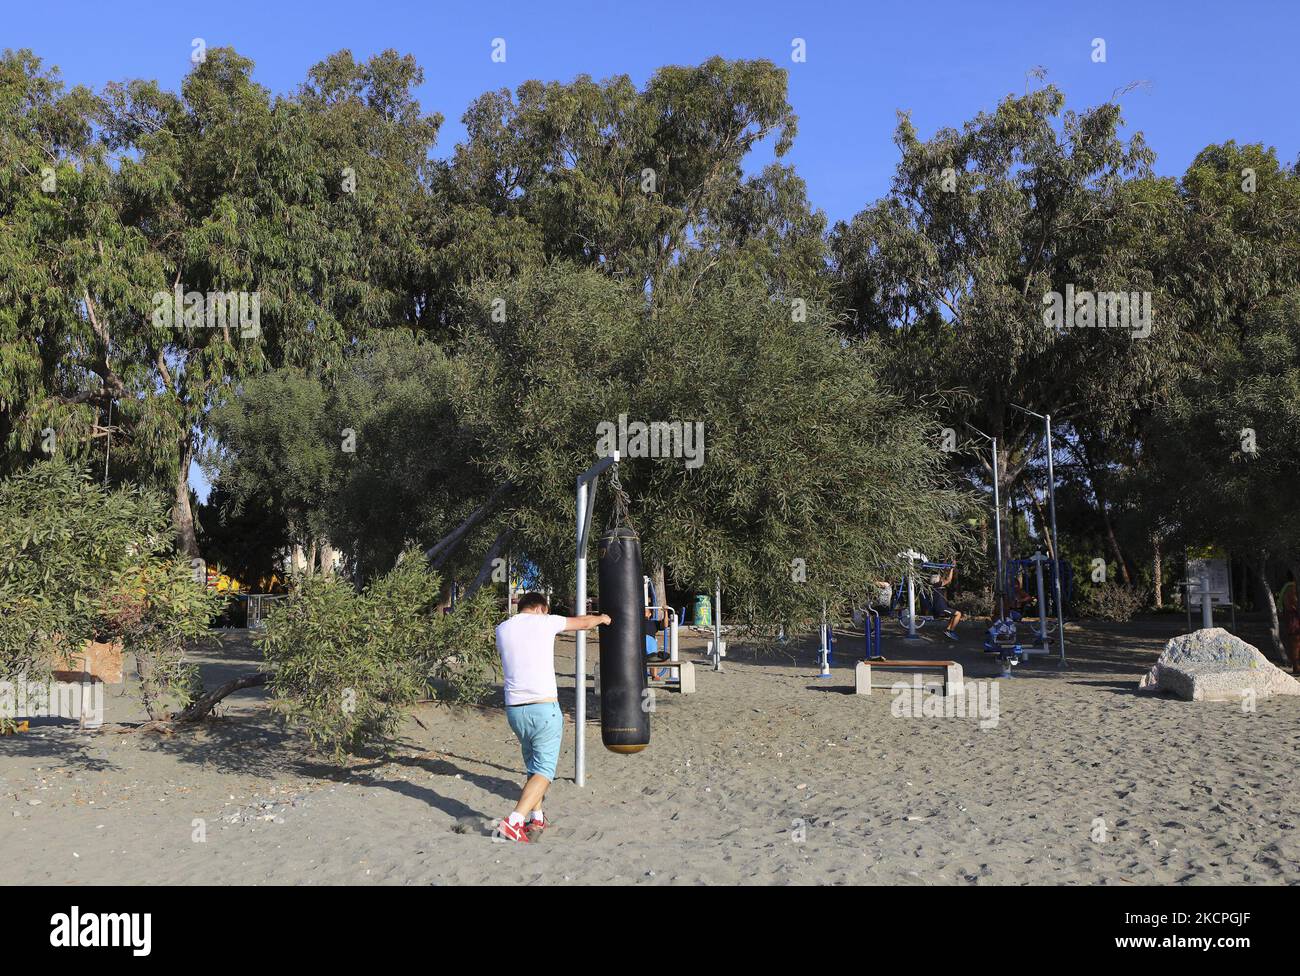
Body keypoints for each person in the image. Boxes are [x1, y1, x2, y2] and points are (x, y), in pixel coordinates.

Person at [492, 592, 610, 843]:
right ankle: (513, 822)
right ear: (541, 608)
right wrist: (603, 618)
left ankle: (537, 816)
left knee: (533, 767)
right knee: (544, 771)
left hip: (514, 709)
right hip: (543, 708)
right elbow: (583, 623)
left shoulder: (501, 629)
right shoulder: (545, 621)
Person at [921, 561, 963, 641]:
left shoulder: (931, 586)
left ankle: (948, 630)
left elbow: (944, 579)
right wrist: (952, 569)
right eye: (940, 578)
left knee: (953, 616)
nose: (941, 579)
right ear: (937, 580)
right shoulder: (937, 585)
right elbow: (949, 579)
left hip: (937, 608)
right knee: (958, 614)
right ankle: (951, 631)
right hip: (941, 608)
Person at [1280, 575, 1300, 675]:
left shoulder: (1288, 587)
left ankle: (1296, 666)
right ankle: (1296, 667)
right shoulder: (1292, 588)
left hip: (1290, 617)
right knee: (1295, 642)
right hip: (1293, 618)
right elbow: (1294, 603)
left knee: (1294, 643)